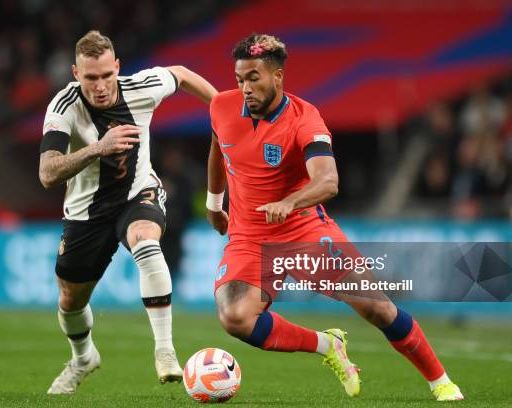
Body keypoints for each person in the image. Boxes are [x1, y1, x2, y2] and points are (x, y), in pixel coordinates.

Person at [206, 34, 463, 402]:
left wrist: (291, 203)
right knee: (235, 317)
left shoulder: (304, 118)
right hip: (248, 237)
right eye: (240, 79)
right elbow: (218, 148)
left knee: (377, 307)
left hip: (303, 229)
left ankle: (440, 381)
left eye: (254, 78)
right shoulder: (222, 107)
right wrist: (215, 204)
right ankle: (328, 345)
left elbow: (328, 181)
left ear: (277, 77)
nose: (245, 87)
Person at [39, 30, 218, 394]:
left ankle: (166, 351)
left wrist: (223, 108)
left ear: (117, 67)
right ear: (76, 73)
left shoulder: (142, 87)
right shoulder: (63, 107)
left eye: (107, 75)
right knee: (70, 301)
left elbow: (181, 73)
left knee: (144, 238)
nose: (101, 85)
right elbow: (47, 172)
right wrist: (97, 148)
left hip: (139, 193)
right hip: (86, 213)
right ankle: (83, 358)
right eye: (91, 77)